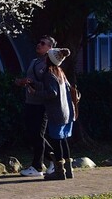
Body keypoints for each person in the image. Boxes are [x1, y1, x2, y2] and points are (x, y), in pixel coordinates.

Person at [27, 47, 76, 181]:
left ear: (49, 59)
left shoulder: (49, 73)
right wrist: (35, 84)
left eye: (47, 56)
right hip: (67, 112)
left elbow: (52, 93)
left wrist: (35, 92)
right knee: (63, 140)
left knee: (56, 142)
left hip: (56, 113)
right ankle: (69, 170)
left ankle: (59, 172)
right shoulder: (60, 72)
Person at [15, 35, 57, 177]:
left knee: (38, 135)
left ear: (50, 48)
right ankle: (55, 159)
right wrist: (22, 81)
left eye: (43, 43)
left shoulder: (49, 65)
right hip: (30, 102)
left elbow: (48, 87)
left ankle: (38, 166)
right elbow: (30, 79)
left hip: (41, 104)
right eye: (39, 42)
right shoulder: (34, 62)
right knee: (31, 134)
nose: (39, 44)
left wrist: (32, 84)